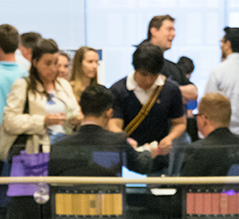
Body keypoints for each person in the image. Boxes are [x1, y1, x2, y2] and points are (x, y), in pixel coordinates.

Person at [109, 43, 187, 173]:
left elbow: (179, 123)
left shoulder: (171, 89)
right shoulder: (119, 90)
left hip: (159, 158)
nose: (149, 80)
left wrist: (170, 138)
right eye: (144, 74)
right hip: (126, 158)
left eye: (154, 75)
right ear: (135, 68)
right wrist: (125, 141)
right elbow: (113, 125)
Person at [0, 38, 80, 161]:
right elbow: (10, 121)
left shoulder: (64, 85)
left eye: (56, 63)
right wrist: (43, 120)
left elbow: (75, 111)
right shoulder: (23, 85)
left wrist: (76, 119)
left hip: (63, 151)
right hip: (33, 153)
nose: (53, 68)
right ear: (35, 63)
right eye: (47, 63)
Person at [49, 85, 155, 177]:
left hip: (67, 200)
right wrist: (148, 151)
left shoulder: (57, 146)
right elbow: (141, 166)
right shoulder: (118, 141)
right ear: (109, 112)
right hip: (108, 200)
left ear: (81, 108)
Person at [142, 15, 199, 104]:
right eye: (169, 29)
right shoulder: (142, 59)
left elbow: (193, 92)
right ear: (154, 31)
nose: (173, 34)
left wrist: (168, 90)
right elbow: (149, 90)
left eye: (174, 30)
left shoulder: (171, 67)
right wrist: (177, 91)